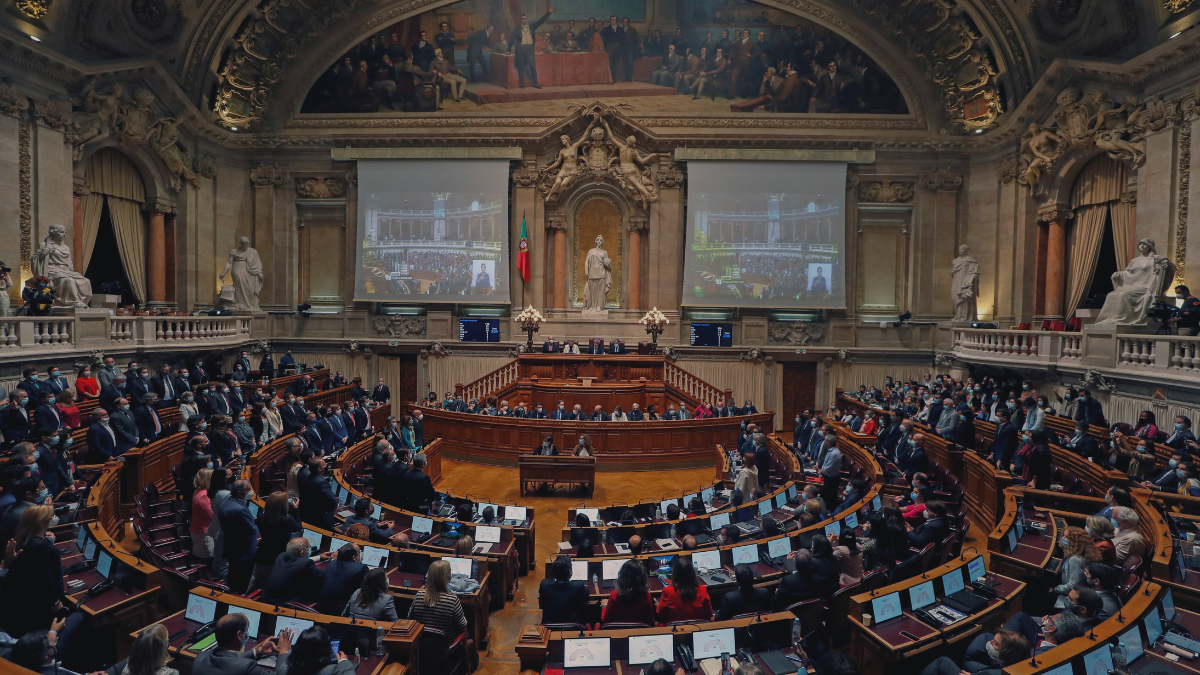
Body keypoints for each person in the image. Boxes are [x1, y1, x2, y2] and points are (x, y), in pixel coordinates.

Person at [0, 505, 64, 640]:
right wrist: (55, 601)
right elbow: (44, 578)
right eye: (51, 516)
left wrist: (49, 542)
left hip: (23, 606)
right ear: (45, 521)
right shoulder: (39, 546)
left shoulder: (25, 539)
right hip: (40, 610)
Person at [192, 613, 289, 675]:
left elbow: (227, 660)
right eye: (247, 630)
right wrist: (283, 652)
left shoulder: (201, 657)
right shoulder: (247, 667)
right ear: (239, 635)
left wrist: (258, 651)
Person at [408, 560, 471, 647]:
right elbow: (462, 627)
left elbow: (410, 620)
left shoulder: (419, 595)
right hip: (447, 646)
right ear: (448, 576)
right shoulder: (452, 600)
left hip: (421, 645)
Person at [251, 492, 304, 590]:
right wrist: (296, 509)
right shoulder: (287, 519)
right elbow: (298, 528)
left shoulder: (261, 516)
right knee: (273, 583)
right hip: (279, 554)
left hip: (263, 552)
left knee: (258, 581)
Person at [921, 628, 1028, 675]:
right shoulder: (1022, 662)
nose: (990, 642)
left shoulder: (990, 673)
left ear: (1006, 653)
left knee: (942, 662)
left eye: (995, 643)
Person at [218, 480, 259, 593]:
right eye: (248, 489)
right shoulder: (241, 509)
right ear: (240, 492)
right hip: (244, 551)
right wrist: (256, 522)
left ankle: (232, 592)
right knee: (243, 579)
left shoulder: (224, 504)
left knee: (233, 574)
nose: (251, 491)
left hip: (231, 546)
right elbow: (252, 530)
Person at [262, 537, 329, 604]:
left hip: (267, 598)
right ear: (302, 552)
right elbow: (324, 575)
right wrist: (334, 561)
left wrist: (319, 557)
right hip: (282, 602)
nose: (309, 549)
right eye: (308, 547)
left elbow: (297, 561)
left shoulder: (281, 556)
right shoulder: (305, 564)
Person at [273, 626, 355, 675]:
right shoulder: (331, 671)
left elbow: (280, 668)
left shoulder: (283, 670)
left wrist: (283, 652)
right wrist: (344, 661)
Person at [1054, 526, 1101, 606]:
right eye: (1063, 535)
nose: (1063, 538)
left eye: (1067, 537)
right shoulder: (1086, 551)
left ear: (1075, 541)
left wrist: (1056, 589)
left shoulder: (1075, 559)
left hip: (1071, 597)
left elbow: (1072, 586)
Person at [317, 543, 369, 616]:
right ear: (354, 557)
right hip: (340, 613)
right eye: (359, 553)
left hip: (321, 609)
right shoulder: (360, 569)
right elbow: (366, 589)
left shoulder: (332, 563)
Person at [657, 556, 713, 623]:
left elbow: (660, 613)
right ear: (692, 573)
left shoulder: (668, 591)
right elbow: (709, 614)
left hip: (674, 630)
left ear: (675, 573)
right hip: (698, 628)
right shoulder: (703, 589)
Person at [601, 558, 655, 625]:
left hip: (617, 633)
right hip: (638, 632)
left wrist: (604, 606)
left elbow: (605, 620)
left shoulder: (614, 595)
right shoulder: (646, 596)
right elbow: (651, 622)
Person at [510, 9, 555, 88]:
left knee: (533, 67)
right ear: (521, 20)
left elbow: (541, 21)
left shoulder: (531, 26)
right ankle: (522, 84)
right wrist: (508, 50)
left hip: (529, 49)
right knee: (521, 67)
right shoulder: (517, 29)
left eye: (526, 18)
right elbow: (511, 39)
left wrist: (548, 13)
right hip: (520, 49)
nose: (525, 20)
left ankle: (536, 84)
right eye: (524, 18)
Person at [539, 555, 590, 625]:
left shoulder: (544, 584)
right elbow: (586, 593)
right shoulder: (578, 585)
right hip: (573, 628)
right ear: (570, 571)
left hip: (549, 627)